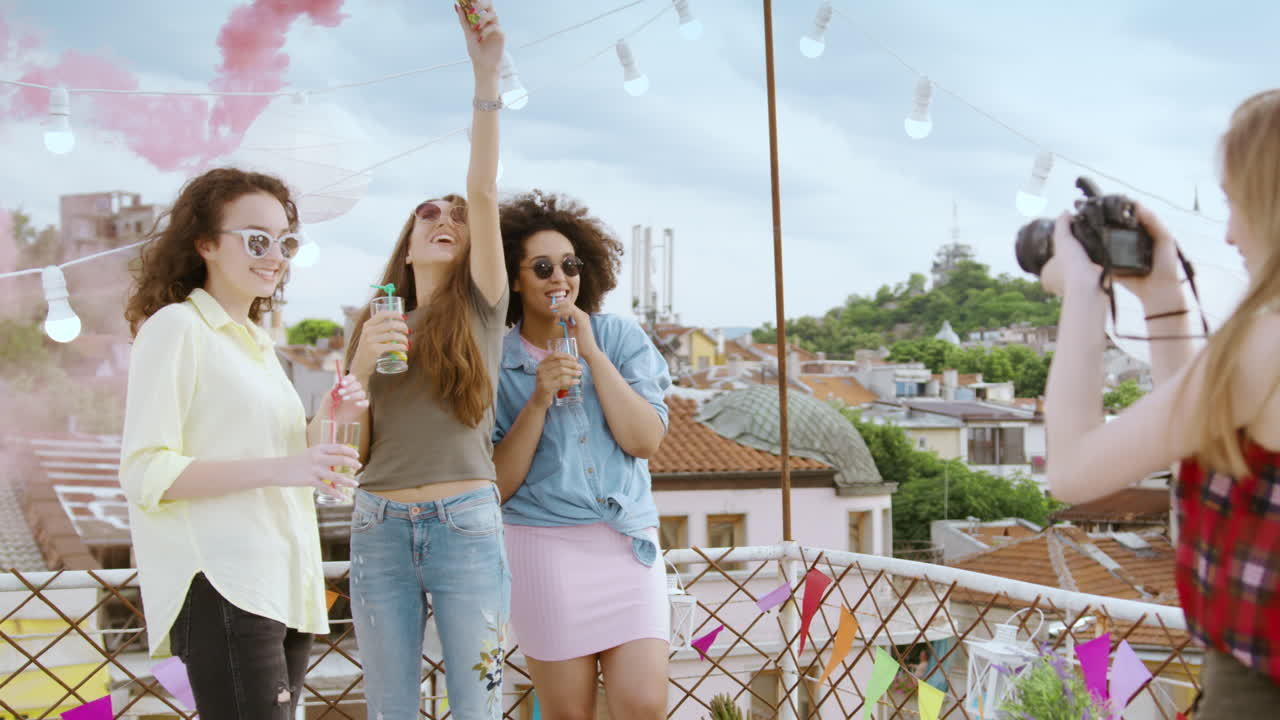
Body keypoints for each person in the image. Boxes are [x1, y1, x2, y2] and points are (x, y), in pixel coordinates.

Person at [1040, 89, 1280, 717]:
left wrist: (1083, 297)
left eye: (1236, 203)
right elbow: (1207, 445)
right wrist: (1164, 296)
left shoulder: (1268, 342)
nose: (1228, 233)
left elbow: (1069, 471)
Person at [120, 167, 366, 720]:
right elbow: (145, 471)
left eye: (287, 242)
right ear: (204, 243)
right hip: (222, 581)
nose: (275, 254)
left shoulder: (258, 342)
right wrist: (288, 466)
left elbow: (282, 455)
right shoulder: (176, 328)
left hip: (282, 580)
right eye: (257, 239)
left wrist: (332, 416)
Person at [339, 3, 510, 717]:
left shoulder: (482, 304)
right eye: (427, 215)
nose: (445, 219)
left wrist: (485, 72)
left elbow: (483, 188)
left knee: (478, 704)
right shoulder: (373, 322)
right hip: (376, 522)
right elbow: (344, 447)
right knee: (388, 708)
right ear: (406, 246)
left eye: (455, 218)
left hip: (464, 518)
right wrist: (353, 373)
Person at [493, 190, 672, 720]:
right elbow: (497, 485)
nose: (559, 277)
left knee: (643, 705)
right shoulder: (495, 362)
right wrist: (539, 398)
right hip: (543, 549)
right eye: (542, 266)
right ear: (514, 277)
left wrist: (590, 350)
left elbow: (644, 440)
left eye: (569, 264)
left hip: (627, 545)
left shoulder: (617, 337)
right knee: (568, 714)